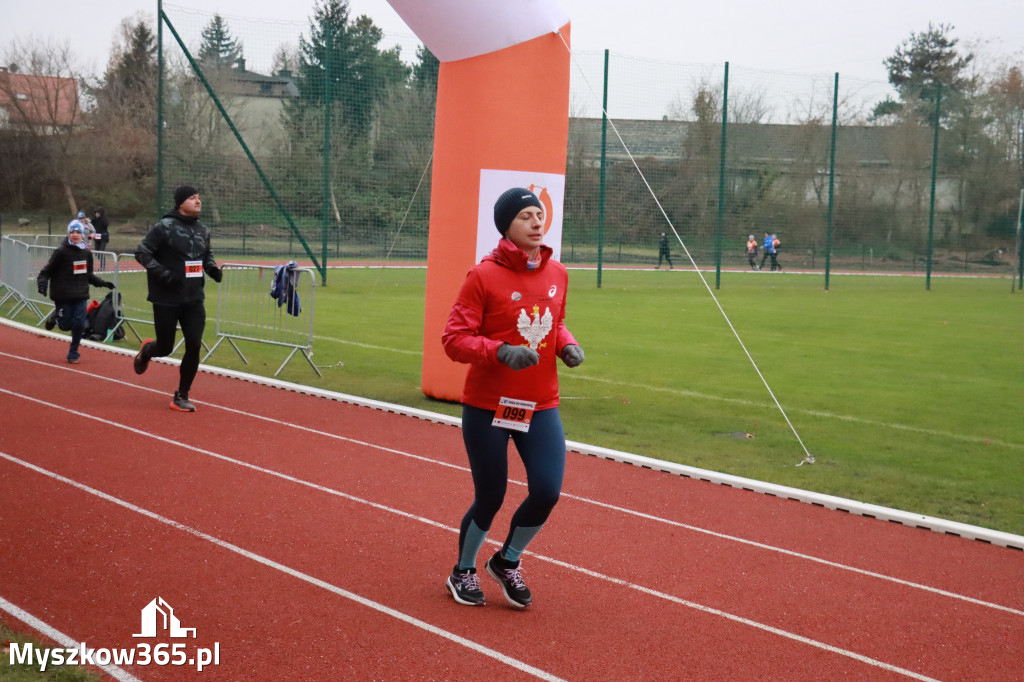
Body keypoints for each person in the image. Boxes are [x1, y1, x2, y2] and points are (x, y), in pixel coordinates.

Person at [441, 187, 585, 608]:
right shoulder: (482, 276)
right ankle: (463, 571)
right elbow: (454, 340)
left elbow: (553, 323)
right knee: (492, 494)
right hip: (489, 406)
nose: (537, 222)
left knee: (547, 490)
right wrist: (499, 351)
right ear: (506, 225)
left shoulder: (557, 274)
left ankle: (507, 561)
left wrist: (566, 344)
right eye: (525, 216)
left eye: (539, 214)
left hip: (541, 404)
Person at [133, 184, 222, 412]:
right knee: (165, 348)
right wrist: (164, 274)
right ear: (180, 202)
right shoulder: (164, 227)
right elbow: (141, 253)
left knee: (194, 345)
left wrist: (211, 269)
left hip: (193, 298)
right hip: (166, 298)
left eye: (199, 197)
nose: (198, 200)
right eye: (192, 197)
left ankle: (182, 395)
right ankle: (148, 351)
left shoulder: (203, 229)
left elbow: (206, 254)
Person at [36, 221, 116, 363]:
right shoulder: (61, 252)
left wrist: (103, 283)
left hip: (80, 295)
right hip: (62, 296)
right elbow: (46, 271)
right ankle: (56, 317)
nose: (75, 235)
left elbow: (88, 275)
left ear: (83, 235)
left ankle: (73, 353)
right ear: (68, 234)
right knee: (65, 325)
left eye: (78, 232)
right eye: (72, 232)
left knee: (79, 324)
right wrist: (42, 284)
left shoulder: (86, 253)